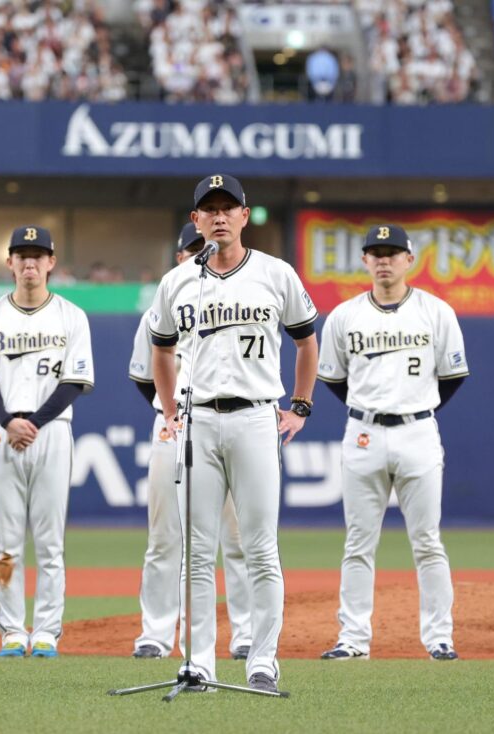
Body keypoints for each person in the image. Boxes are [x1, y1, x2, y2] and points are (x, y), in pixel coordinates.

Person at [148, 174, 318, 694]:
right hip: (198, 420)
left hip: (254, 418)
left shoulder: (275, 273)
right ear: (195, 220)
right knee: (198, 552)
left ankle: (262, 662)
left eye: (228, 207)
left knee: (260, 547)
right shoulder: (178, 281)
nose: (219, 216)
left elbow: (307, 341)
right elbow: (160, 349)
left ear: (245, 215)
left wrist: (301, 406)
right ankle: (199, 664)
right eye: (209, 209)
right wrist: (170, 410)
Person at [316, 224, 469, 662]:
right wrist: (372, 407)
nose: (384, 260)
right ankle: (353, 639)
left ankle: (439, 637)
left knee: (427, 541)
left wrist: (414, 408)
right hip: (363, 433)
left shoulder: (436, 311)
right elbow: (333, 378)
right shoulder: (344, 316)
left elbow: (452, 376)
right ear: (365, 260)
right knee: (358, 543)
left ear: (409, 259)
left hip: (418, 430)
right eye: (376, 253)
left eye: (392, 252)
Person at [0, 225, 94, 659]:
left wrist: (32, 423)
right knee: (7, 543)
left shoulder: (71, 316)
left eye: (38, 255)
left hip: (51, 430)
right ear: (10, 262)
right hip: (0, 430)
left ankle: (47, 632)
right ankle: (13, 631)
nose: (30, 263)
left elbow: (74, 382)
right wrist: (8, 421)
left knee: (50, 542)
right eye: (22, 255)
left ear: (51, 262)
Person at [128, 222, 252, 660]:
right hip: (175, 428)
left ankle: (246, 634)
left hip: (231, 424)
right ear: (180, 257)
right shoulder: (159, 311)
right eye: (196, 248)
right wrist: (170, 411)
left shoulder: (241, 302)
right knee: (165, 536)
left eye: (210, 247)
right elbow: (145, 375)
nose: (205, 253)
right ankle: (156, 634)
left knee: (238, 536)